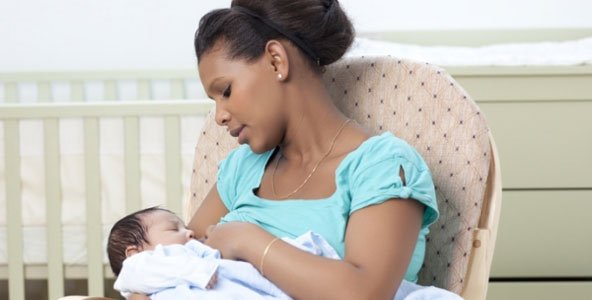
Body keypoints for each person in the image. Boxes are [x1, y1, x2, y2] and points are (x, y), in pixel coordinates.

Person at [184, 0, 440, 299]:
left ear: (276, 61)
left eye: (225, 91)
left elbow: (363, 293)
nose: (219, 116)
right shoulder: (242, 168)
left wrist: (246, 240)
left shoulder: (381, 166)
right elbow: (176, 261)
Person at [109, 207, 460, 300]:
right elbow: (137, 282)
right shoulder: (144, 264)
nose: (189, 231)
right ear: (135, 250)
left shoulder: (382, 162)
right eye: (174, 229)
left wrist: (243, 241)